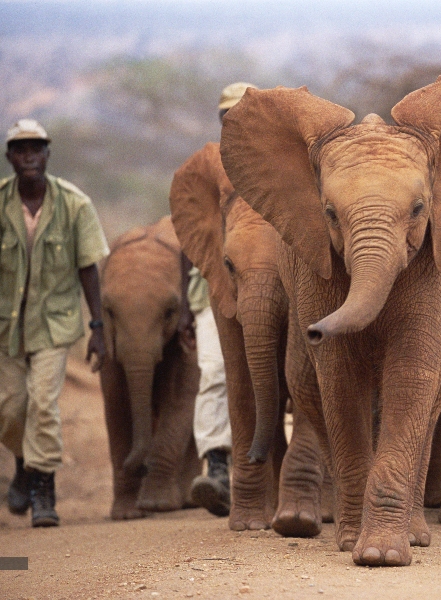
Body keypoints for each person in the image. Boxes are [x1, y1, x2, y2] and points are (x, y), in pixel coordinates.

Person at [0, 119, 109, 527]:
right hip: (1, 327)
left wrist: (98, 327)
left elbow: (89, 267)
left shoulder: (75, 204)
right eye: (20, 149)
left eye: (36, 148)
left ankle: (44, 491)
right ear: (8, 157)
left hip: (54, 325)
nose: (29, 156)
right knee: (9, 410)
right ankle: (23, 462)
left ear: (47, 154)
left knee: (43, 404)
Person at [177, 82, 256, 517]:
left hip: (272, 292)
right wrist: (184, 306)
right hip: (213, 291)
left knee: (282, 376)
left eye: (244, 113)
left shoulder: (276, 163)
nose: (235, 122)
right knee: (214, 372)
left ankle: (277, 469)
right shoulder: (206, 167)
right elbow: (187, 235)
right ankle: (220, 466)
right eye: (228, 116)